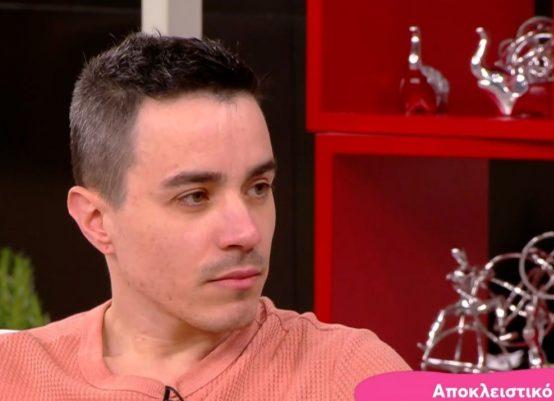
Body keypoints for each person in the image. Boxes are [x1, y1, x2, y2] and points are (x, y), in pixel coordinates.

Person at [0, 33, 409, 400]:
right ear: (96, 220)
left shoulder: (353, 375)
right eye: (195, 196)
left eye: (258, 187)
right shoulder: (13, 375)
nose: (246, 233)